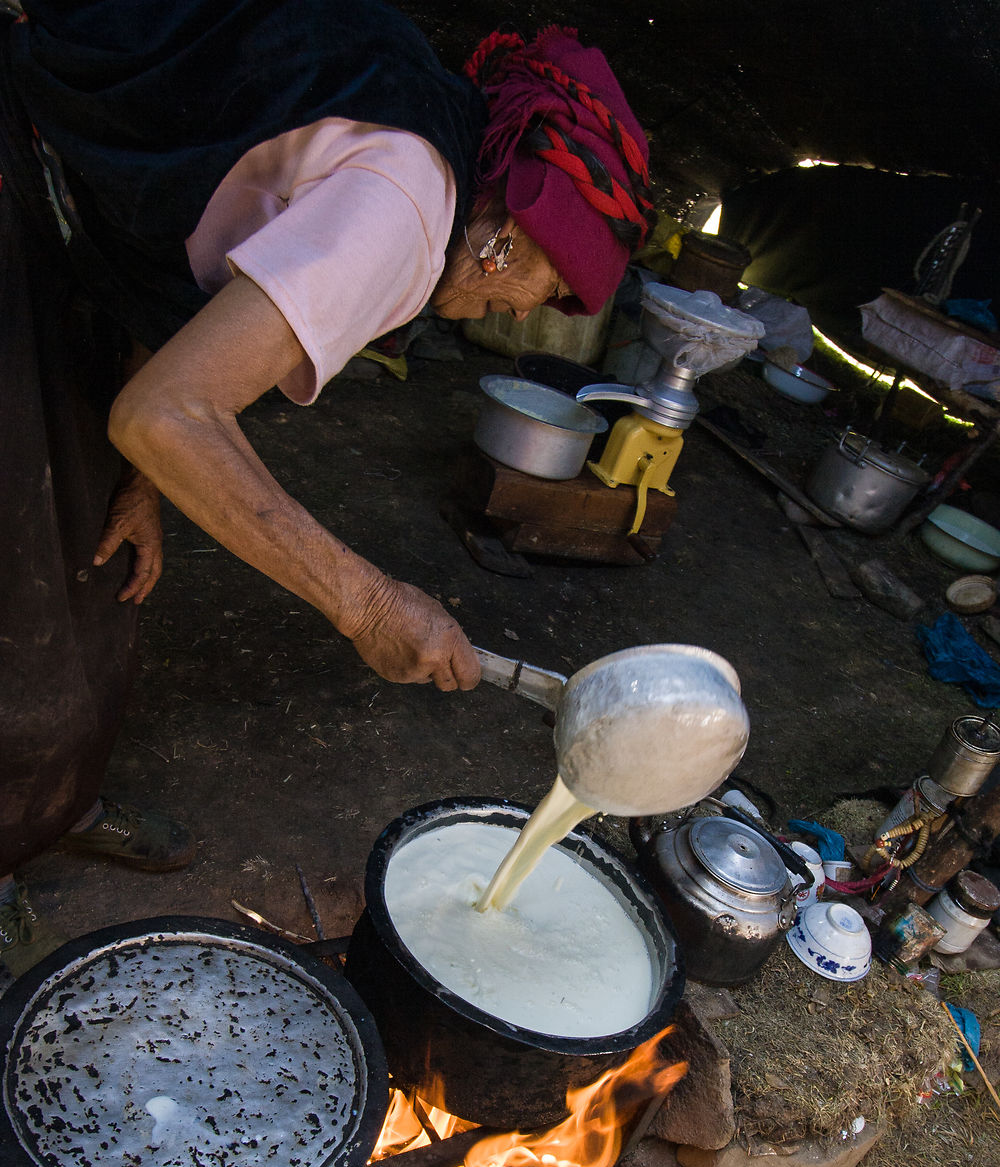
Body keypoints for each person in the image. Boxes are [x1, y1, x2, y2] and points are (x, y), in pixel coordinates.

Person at [0, 0, 654, 978]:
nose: (526, 314)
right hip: (23, 176)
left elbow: (185, 268)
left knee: (93, 562)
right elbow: (165, 411)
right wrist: (366, 600)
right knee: (18, 594)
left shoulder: (425, 119)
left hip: (87, 217)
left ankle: (54, 803)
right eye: (546, 293)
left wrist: (143, 479)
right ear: (504, 240)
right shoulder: (400, 212)